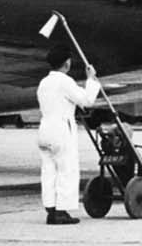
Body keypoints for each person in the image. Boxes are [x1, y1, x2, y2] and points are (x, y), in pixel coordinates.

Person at [36, 43, 100, 225]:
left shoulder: (44, 82)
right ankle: (61, 211)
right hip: (61, 128)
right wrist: (92, 80)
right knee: (66, 169)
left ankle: (50, 208)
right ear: (66, 64)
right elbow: (86, 100)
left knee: (48, 170)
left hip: (45, 127)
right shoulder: (64, 81)